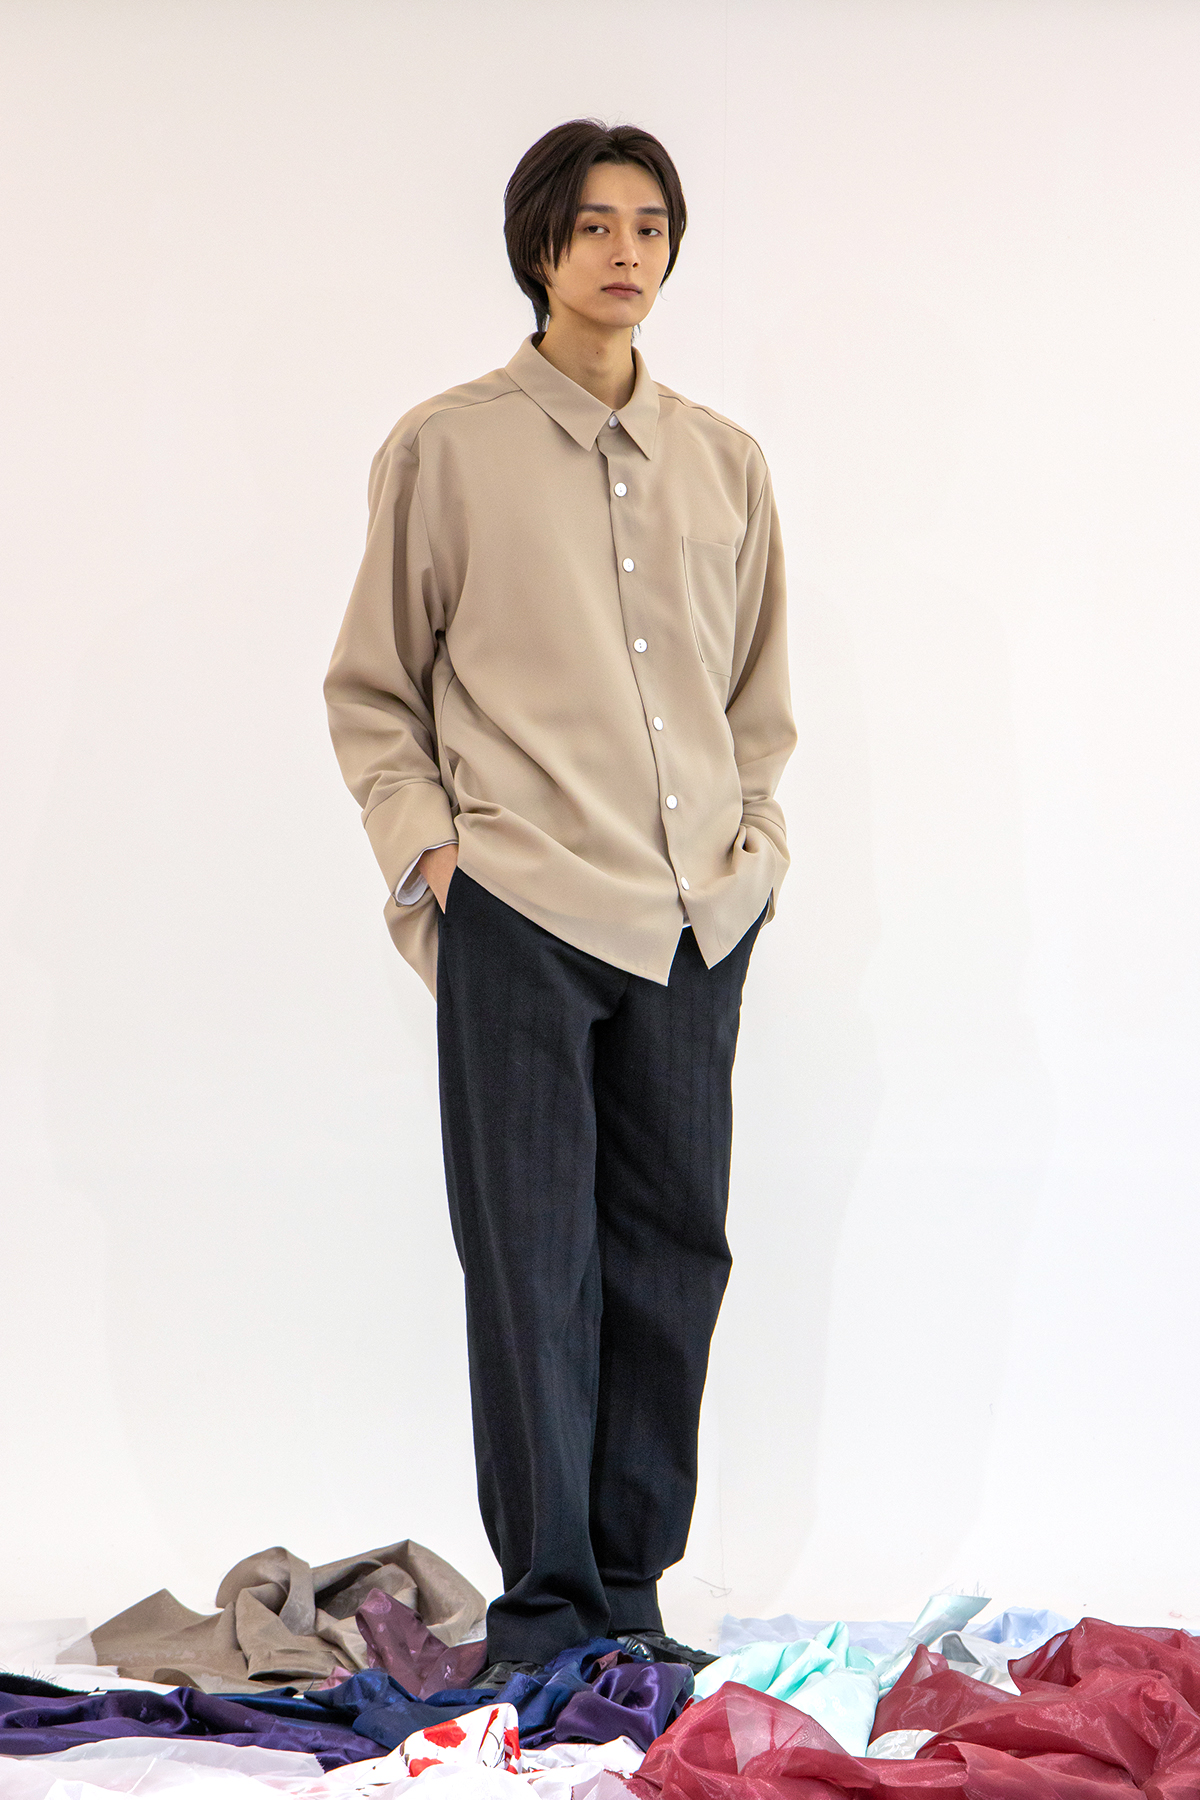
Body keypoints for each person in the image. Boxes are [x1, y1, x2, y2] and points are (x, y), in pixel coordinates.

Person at [325, 119, 795, 1681]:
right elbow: (374, 690)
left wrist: (757, 851)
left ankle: (630, 1591)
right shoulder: (446, 448)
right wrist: (435, 860)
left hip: (696, 915)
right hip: (520, 902)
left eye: (649, 226)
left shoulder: (726, 462)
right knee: (533, 1258)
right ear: (539, 246)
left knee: (676, 1252)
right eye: (594, 225)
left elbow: (756, 699)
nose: (624, 252)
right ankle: (546, 1603)